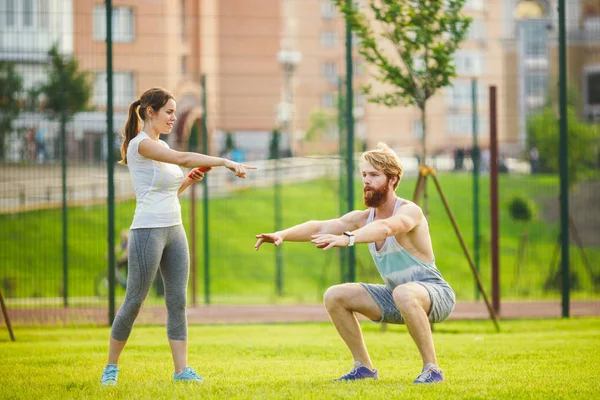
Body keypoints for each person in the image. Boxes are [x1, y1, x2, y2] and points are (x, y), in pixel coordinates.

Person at [254, 142, 455, 384]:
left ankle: (432, 369)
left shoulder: (410, 211)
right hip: (396, 296)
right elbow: (319, 226)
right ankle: (364, 369)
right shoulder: (363, 218)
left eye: (374, 175)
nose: (366, 181)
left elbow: (387, 227)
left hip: (435, 294)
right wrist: (282, 234)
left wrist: (347, 239)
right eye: (364, 175)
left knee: (404, 292)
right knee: (335, 295)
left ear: (393, 180)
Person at [100, 87, 256, 386]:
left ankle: (181, 371)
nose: (173, 118)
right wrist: (223, 161)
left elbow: (168, 189)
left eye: (174, 112)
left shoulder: (160, 146)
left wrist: (188, 179)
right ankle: (110, 368)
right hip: (147, 230)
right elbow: (181, 156)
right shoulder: (141, 145)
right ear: (150, 112)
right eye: (169, 112)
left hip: (174, 228)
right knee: (134, 300)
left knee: (177, 301)